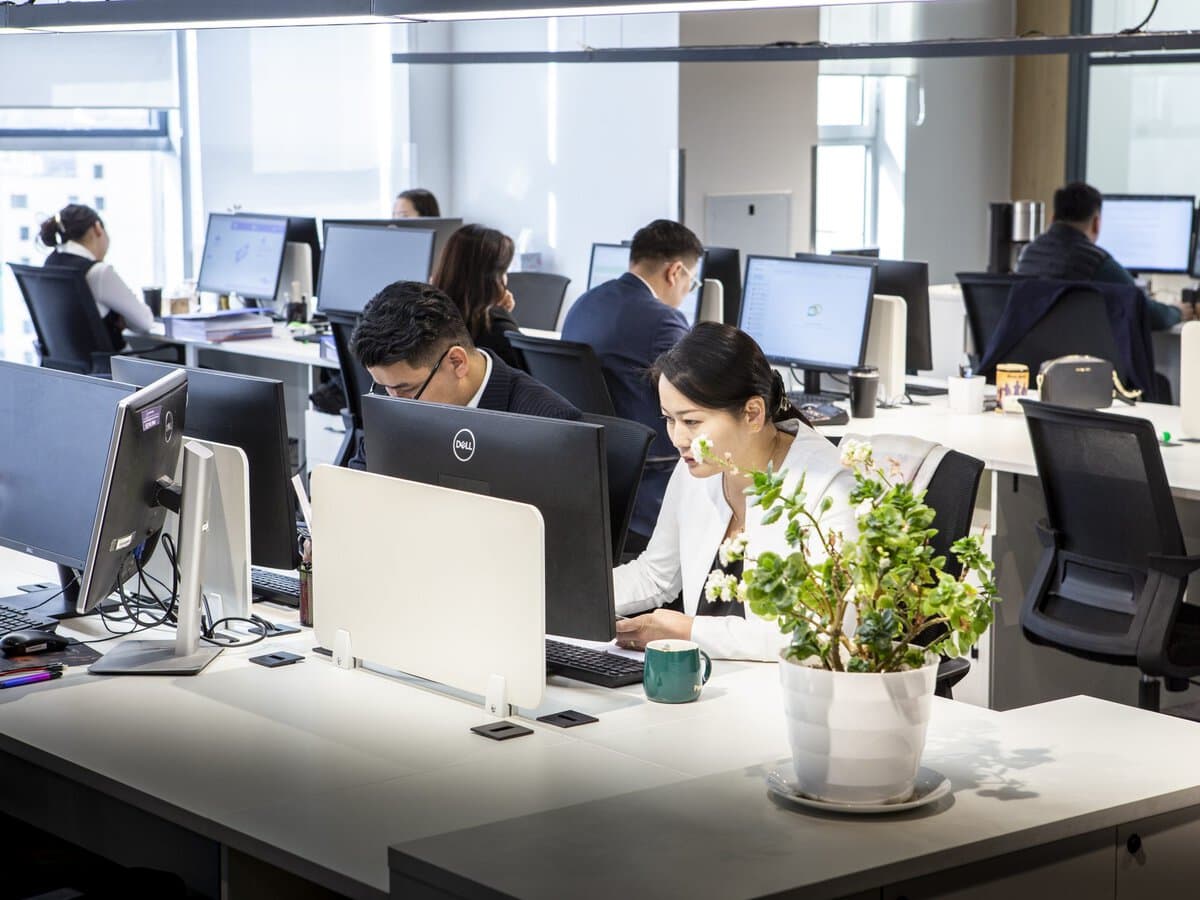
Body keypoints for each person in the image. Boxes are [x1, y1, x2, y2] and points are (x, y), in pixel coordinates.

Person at [612, 323, 858, 662]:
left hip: (792, 692)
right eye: (669, 419)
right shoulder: (699, 464)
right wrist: (567, 597)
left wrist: (688, 631)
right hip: (715, 681)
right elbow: (656, 575)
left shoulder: (828, 487)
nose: (677, 438)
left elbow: (820, 635)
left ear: (753, 414)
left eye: (692, 422)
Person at [561, 219, 702, 548]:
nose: (685, 292)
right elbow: (700, 396)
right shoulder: (662, 320)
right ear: (675, 272)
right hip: (650, 481)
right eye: (690, 283)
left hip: (592, 474)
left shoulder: (584, 303)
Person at [348, 281, 579, 469]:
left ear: (457, 362)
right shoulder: (393, 405)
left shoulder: (551, 427)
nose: (395, 402)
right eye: (384, 388)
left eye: (406, 390)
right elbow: (358, 489)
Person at [1016, 182, 1181, 331]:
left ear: (1052, 218)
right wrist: (1178, 311)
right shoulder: (1095, 263)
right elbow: (1149, 315)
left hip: (1031, 358)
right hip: (1079, 360)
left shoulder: (1028, 255)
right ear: (1096, 223)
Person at [38, 203, 154, 348]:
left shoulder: (50, 263)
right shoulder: (98, 272)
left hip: (64, 369)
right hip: (112, 367)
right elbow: (145, 322)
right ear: (98, 228)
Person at [431, 225, 521, 368]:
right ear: (491, 279)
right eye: (503, 272)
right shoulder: (498, 332)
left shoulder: (427, 317)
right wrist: (501, 317)